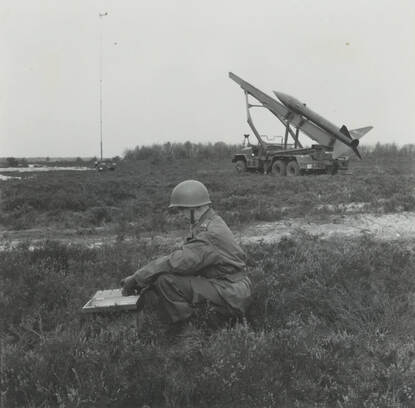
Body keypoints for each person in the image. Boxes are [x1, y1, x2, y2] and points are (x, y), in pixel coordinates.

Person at [120, 179, 252, 326]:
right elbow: (186, 260)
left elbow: (177, 261)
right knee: (168, 276)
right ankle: (206, 321)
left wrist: (138, 277)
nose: (180, 214)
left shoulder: (208, 233)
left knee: (166, 281)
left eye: (182, 209)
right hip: (230, 286)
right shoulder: (210, 221)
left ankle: (188, 331)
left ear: (193, 208)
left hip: (231, 293)